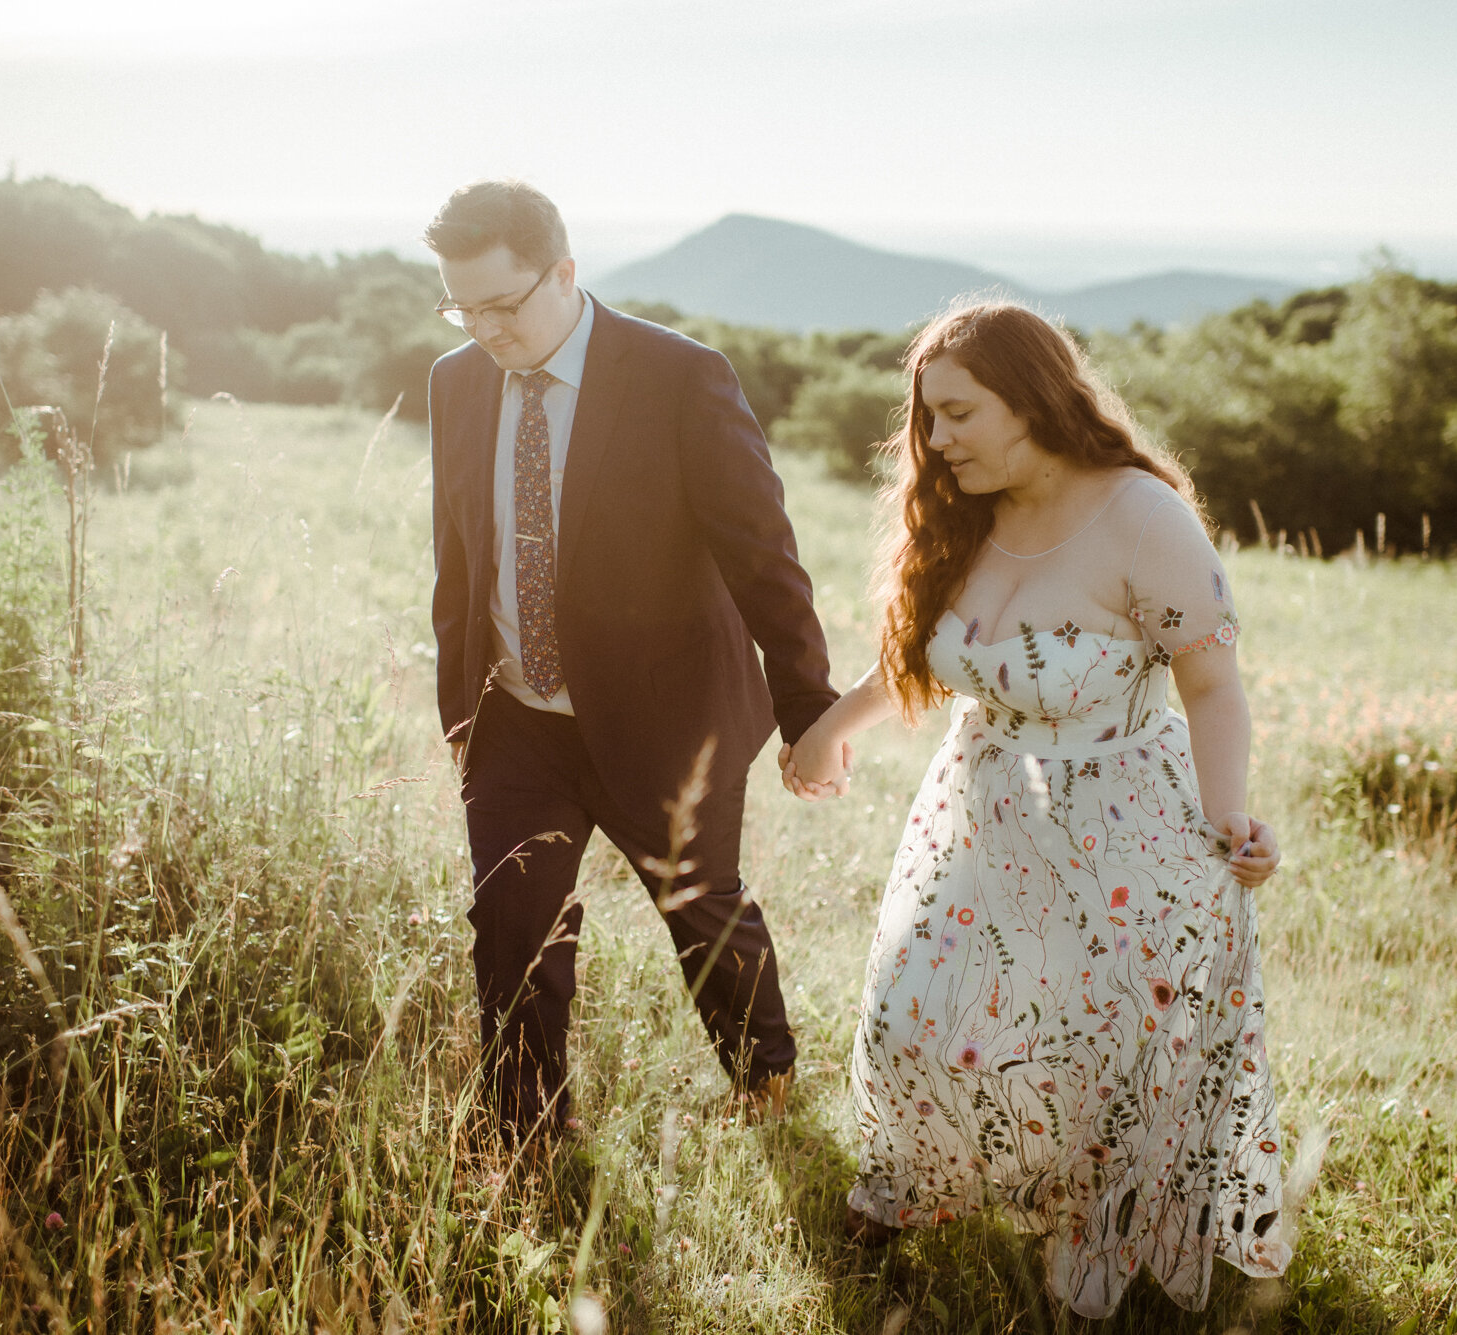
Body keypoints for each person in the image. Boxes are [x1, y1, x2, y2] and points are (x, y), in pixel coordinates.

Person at [781, 302, 1287, 1316]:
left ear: (1033, 399)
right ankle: (907, 1190)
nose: (936, 441)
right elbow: (922, 658)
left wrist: (1227, 821)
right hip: (978, 811)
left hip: (1124, 825)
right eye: (927, 418)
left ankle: (1090, 1235)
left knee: (1094, 1047)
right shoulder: (964, 512)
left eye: (958, 414)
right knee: (912, 1014)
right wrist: (831, 726)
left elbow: (1212, 688)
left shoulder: (1141, 515)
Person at [424, 181, 837, 1141]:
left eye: (504, 303)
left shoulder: (680, 377)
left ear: (564, 272)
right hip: (517, 719)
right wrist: (463, 717)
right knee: (512, 928)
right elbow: (459, 554)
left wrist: (809, 708)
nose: (484, 327)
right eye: (462, 306)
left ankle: (764, 1081)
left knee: (702, 912)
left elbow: (761, 553)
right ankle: (526, 1131)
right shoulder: (455, 381)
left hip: (667, 716)